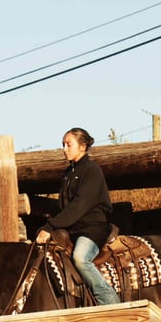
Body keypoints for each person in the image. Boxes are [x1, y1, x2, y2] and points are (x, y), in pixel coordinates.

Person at [36, 127, 120, 305]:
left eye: (69, 145)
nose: (64, 149)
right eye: (63, 145)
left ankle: (111, 302)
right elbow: (63, 207)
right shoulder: (68, 174)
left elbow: (79, 205)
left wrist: (50, 227)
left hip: (92, 228)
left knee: (80, 259)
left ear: (82, 146)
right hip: (72, 229)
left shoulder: (92, 170)